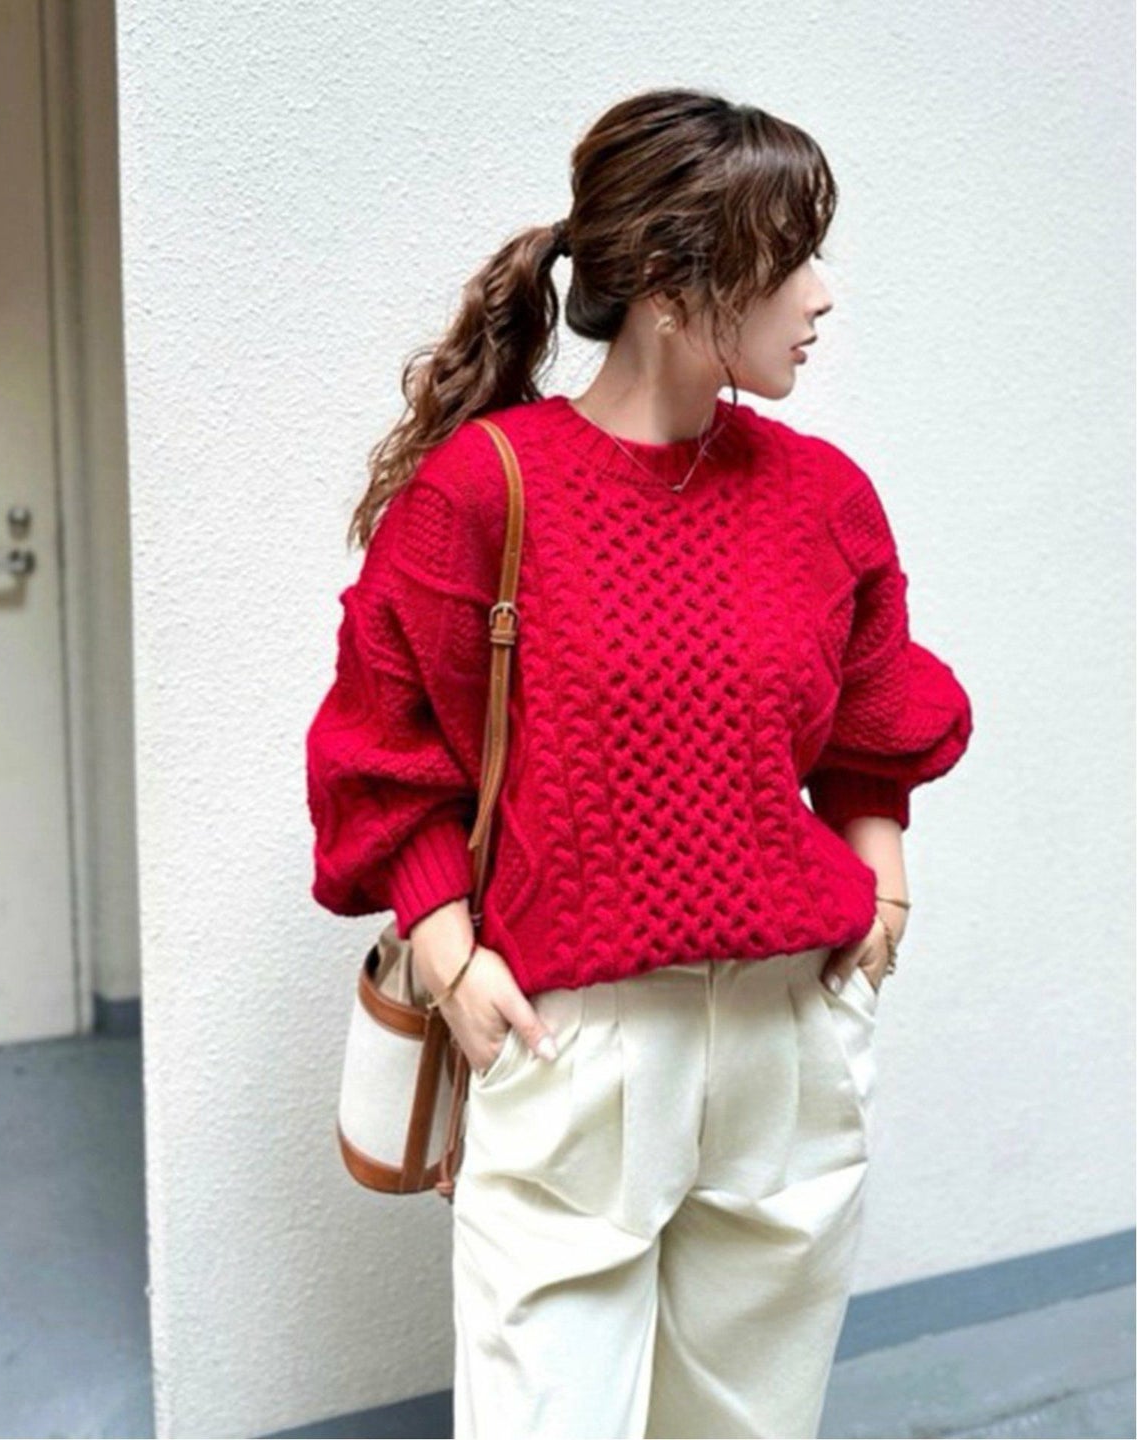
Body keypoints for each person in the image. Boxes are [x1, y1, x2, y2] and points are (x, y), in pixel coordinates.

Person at [305, 86, 973, 1440]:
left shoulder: (824, 495)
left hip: (789, 1032)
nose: (822, 295)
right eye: (792, 258)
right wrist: (451, 956)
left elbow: (870, 719)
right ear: (675, 286)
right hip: (574, 1036)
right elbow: (384, 746)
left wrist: (885, 888)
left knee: (751, 1423)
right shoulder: (485, 490)